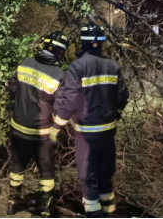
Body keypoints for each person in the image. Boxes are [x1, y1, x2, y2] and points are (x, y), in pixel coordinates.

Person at [51, 25, 128, 218]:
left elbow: (70, 101)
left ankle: (94, 214)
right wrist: (115, 114)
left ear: (82, 42)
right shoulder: (113, 66)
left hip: (87, 133)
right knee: (105, 174)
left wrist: (56, 127)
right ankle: (109, 213)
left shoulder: (78, 67)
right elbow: (122, 96)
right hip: (108, 132)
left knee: (88, 175)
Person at [6, 31, 70, 217]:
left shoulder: (24, 64)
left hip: (18, 129)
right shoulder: (59, 74)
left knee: (17, 167)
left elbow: (12, 89)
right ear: (61, 52)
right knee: (46, 170)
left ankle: (12, 203)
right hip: (42, 134)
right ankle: (45, 209)